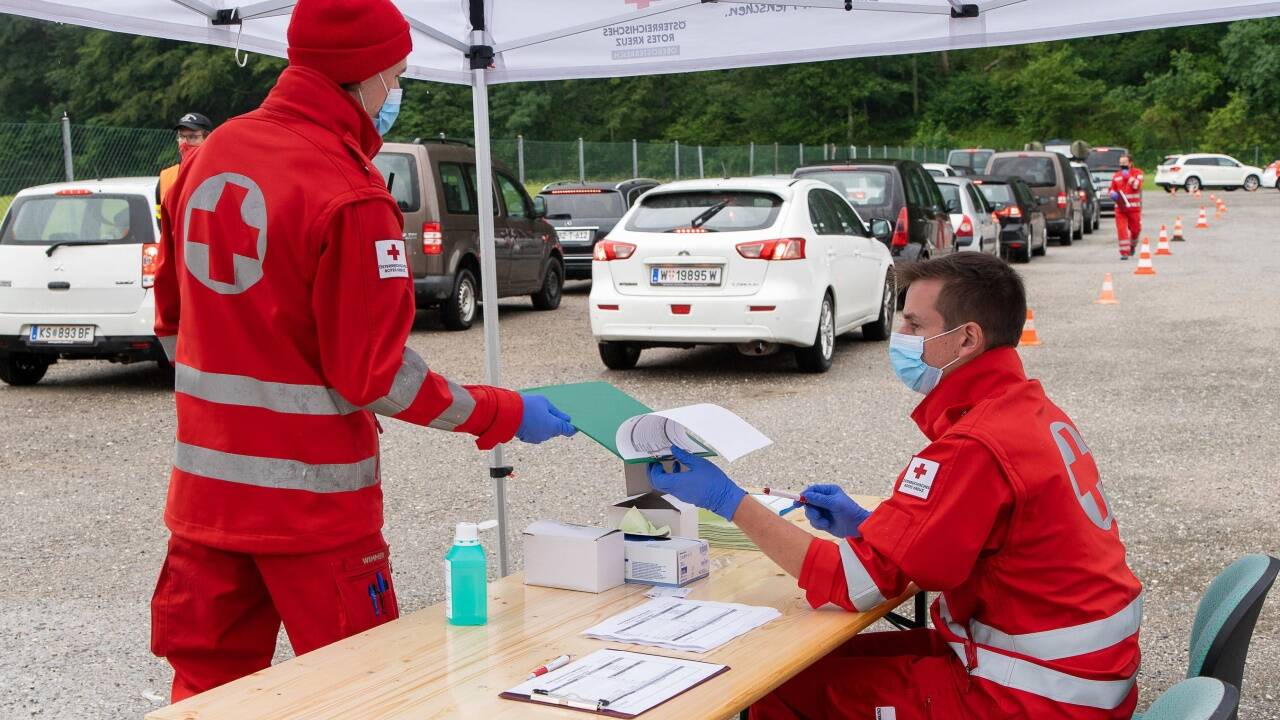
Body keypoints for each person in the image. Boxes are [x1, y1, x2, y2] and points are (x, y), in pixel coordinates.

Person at [150, 0, 576, 702]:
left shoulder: (211, 153)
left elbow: (170, 315)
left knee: (204, 691)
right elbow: (376, 375)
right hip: (315, 514)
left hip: (206, 501)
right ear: (370, 74)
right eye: (400, 74)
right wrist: (503, 412)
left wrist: (233, 393)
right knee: (365, 694)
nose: (398, 92)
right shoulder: (349, 192)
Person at [648, 253, 1142, 720]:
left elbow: (850, 586)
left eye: (914, 324)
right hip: (1079, 673)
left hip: (1030, 695)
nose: (897, 334)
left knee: (777, 688)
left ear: (967, 339)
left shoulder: (974, 442)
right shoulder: (1026, 410)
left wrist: (728, 500)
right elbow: (958, 548)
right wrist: (868, 527)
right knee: (811, 666)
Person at [156, 112, 213, 218]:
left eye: (192, 137)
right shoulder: (166, 177)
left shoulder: (219, 175)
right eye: (181, 137)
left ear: (208, 139)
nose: (185, 143)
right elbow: (162, 222)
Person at [1108, 154, 1143, 260]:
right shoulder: (1116, 175)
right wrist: (1112, 194)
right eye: (1121, 163)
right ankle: (1124, 252)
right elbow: (1111, 189)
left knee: (1135, 230)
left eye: (1124, 163)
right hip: (1120, 208)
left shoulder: (1138, 173)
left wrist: (1128, 177)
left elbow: (1137, 186)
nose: (1122, 165)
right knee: (1122, 230)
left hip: (1134, 208)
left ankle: (1132, 246)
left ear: (1130, 163)